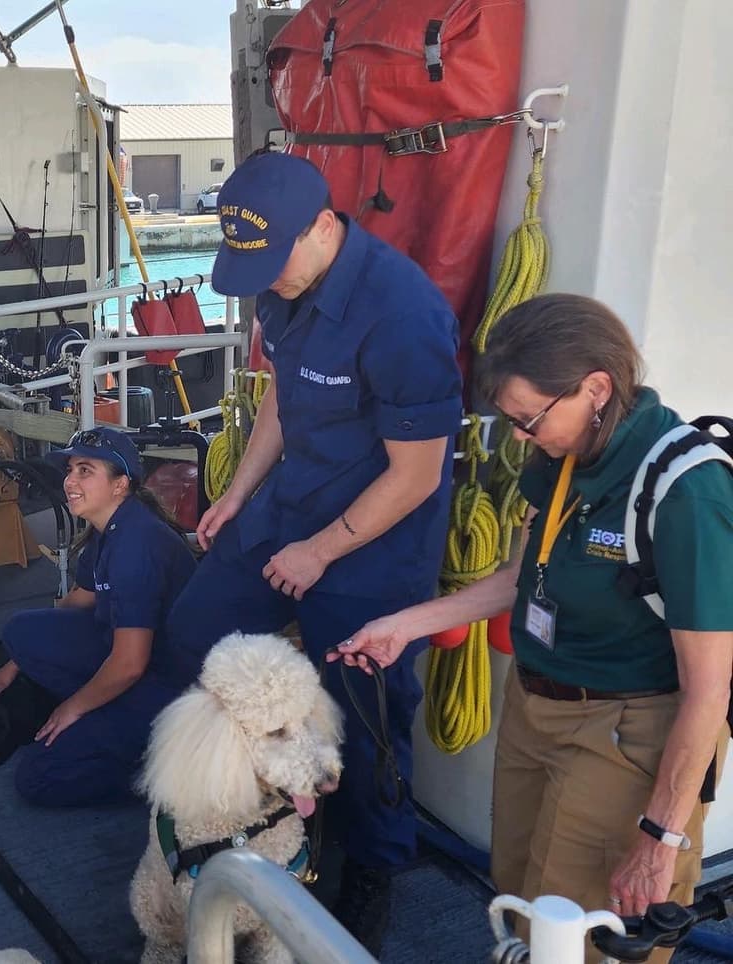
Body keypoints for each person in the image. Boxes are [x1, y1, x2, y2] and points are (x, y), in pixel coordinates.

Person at [336, 293, 733, 963]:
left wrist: (659, 840)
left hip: (624, 730)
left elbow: (709, 691)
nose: (521, 438)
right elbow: (521, 579)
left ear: (597, 388)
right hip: (534, 705)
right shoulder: (562, 457)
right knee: (519, 894)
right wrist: (403, 626)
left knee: (583, 932)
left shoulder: (687, 491)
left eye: (529, 419)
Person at [162, 150, 463, 953]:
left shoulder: (403, 315)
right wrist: (237, 495)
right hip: (290, 505)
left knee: (364, 710)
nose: (267, 279)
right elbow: (284, 403)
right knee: (195, 632)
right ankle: (234, 803)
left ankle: (372, 866)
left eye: (272, 261)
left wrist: (321, 554)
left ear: (325, 226)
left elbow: (418, 474)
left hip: (374, 540)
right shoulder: (282, 285)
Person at [0, 427, 197, 807]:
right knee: (20, 631)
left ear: (120, 484)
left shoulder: (136, 547)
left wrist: (72, 708)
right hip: (129, 656)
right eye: (70, 470)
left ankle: (171, 776)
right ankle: (104, 714)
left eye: (85, 471)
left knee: (37, 778)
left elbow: (130, 664)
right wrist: (18, 662)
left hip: (168, 690)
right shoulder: (110, 528)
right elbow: (79, 601)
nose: (70, 481)